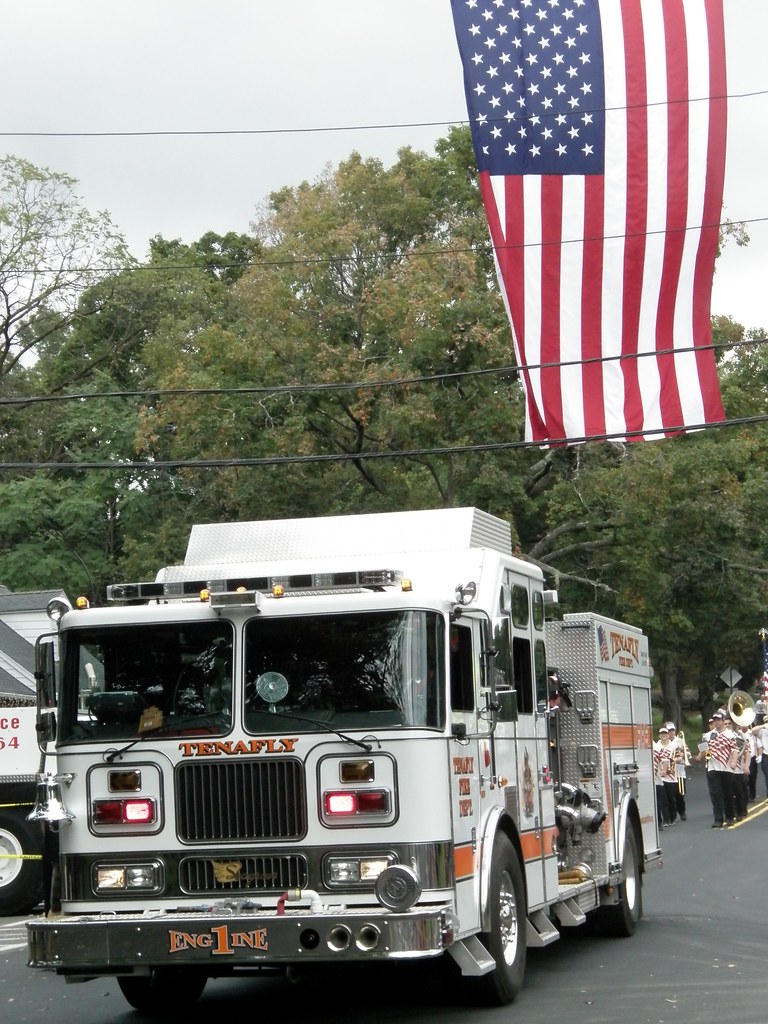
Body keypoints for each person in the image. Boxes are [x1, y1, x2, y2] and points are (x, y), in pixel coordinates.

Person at [699, 711, 737, 828]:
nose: (716, 722)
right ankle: (718, 819)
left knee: (727, 793)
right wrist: (699, 756)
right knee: (715, 793)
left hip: (726, 768)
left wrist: (734, 761)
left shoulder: (730, 735)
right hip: (712, 766)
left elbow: (734, 749)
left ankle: (730, 817)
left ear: (722, 721)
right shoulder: (708, 735)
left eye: (718, 720)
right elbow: (703, 747)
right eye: (714, 720)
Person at [665, 722, 690, 821]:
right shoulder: (664, 742)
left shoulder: (680, 741)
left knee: (679, 793)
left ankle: (682, 811)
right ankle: (672, 814)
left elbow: (688, 753)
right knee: (670, 794)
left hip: (679, 769)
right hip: (669, 770)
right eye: (669, 731)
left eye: (672, 730)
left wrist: (682, 755)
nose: (671, 732)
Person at [653, 726, 677, 827]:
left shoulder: (674, 745)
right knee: (663, 799)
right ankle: (665, 819)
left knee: (671, 798)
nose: (664, 735)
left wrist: (675, 760)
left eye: (665, 733)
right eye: (662, 734)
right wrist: (662, 771)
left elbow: (680, 756)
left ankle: (673, 816)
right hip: (660, 776)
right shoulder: (657, 746)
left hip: (671, 775)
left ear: (668, 735)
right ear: (659, 735)